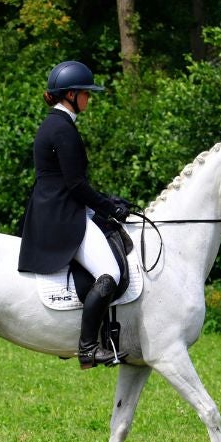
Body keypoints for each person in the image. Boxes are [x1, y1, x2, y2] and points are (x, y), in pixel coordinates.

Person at [18, 60, 132, 370]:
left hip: (56, 208)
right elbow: (75, 184)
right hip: (62, 216)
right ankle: (89, 347)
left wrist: (106, 200)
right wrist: (110, 208)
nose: (88, 99)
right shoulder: (62, 128)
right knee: (110, 274)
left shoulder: (54, 124)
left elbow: (68, 180)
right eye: (85, 93)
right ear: (70, 95)